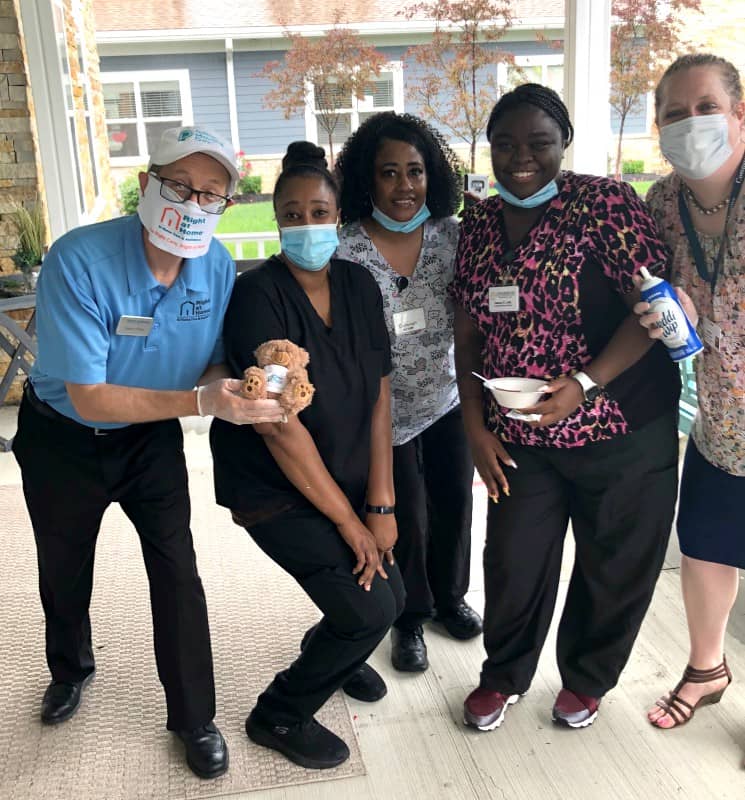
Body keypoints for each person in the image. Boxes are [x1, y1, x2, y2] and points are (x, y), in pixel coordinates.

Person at [12, 126, 285, 779]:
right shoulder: (78, 260)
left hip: (150, 439)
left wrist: (238, 388)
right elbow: (92, 396)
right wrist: (200, 403)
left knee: (176, 569)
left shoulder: (216, 266)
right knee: (63, 564)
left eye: (211, 195)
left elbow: (213, 359)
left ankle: (195, 716)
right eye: (180, 187)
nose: (193, 205)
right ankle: (70, 670)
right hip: (62, 436)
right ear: (145, 184)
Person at [451, 83, 682, 732]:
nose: (520, 157)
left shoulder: (603, 203)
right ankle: (502, 676)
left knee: (613, 564)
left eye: (539, 143)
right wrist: (473, 424)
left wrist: (585, 380)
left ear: (564, 145)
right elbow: (467, 327)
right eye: (505, 144)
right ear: (489, 150)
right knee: (511, 560)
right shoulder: (480, 222)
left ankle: (585, 679)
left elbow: (651, 304)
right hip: (519, 435)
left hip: (621, 428)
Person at [209, 141, 405, 770]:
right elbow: (277, 428)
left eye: (318, 211)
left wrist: (379, 502)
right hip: (272, 488)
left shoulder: (358, 284)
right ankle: (280, 714)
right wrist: (349, 523)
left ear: (339, 213)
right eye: (291, 214)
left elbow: (379, 396)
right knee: (369, 607)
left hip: (344, 477)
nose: (305, 225)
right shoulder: (257, 295)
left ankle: (335, 648)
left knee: (387, 600)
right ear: (276, 221)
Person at [334, 112, 481, 674]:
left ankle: (450, 598)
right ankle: (408, 618)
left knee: (455, 504)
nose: (404, 186)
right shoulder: (346, 250)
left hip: (445, 399)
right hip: (381, 412)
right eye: (389, 172)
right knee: (406, 517)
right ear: (367, 180)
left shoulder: (452, 237)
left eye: (415, 171)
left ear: (432, 176)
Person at [634, 54, 745, 730]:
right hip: (717, 425)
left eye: (706, 107)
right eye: (674, 113)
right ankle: (706, 669)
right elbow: (646, 291)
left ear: (739, 115)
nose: (690, 123)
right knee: (704, 548)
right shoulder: (660, 205)